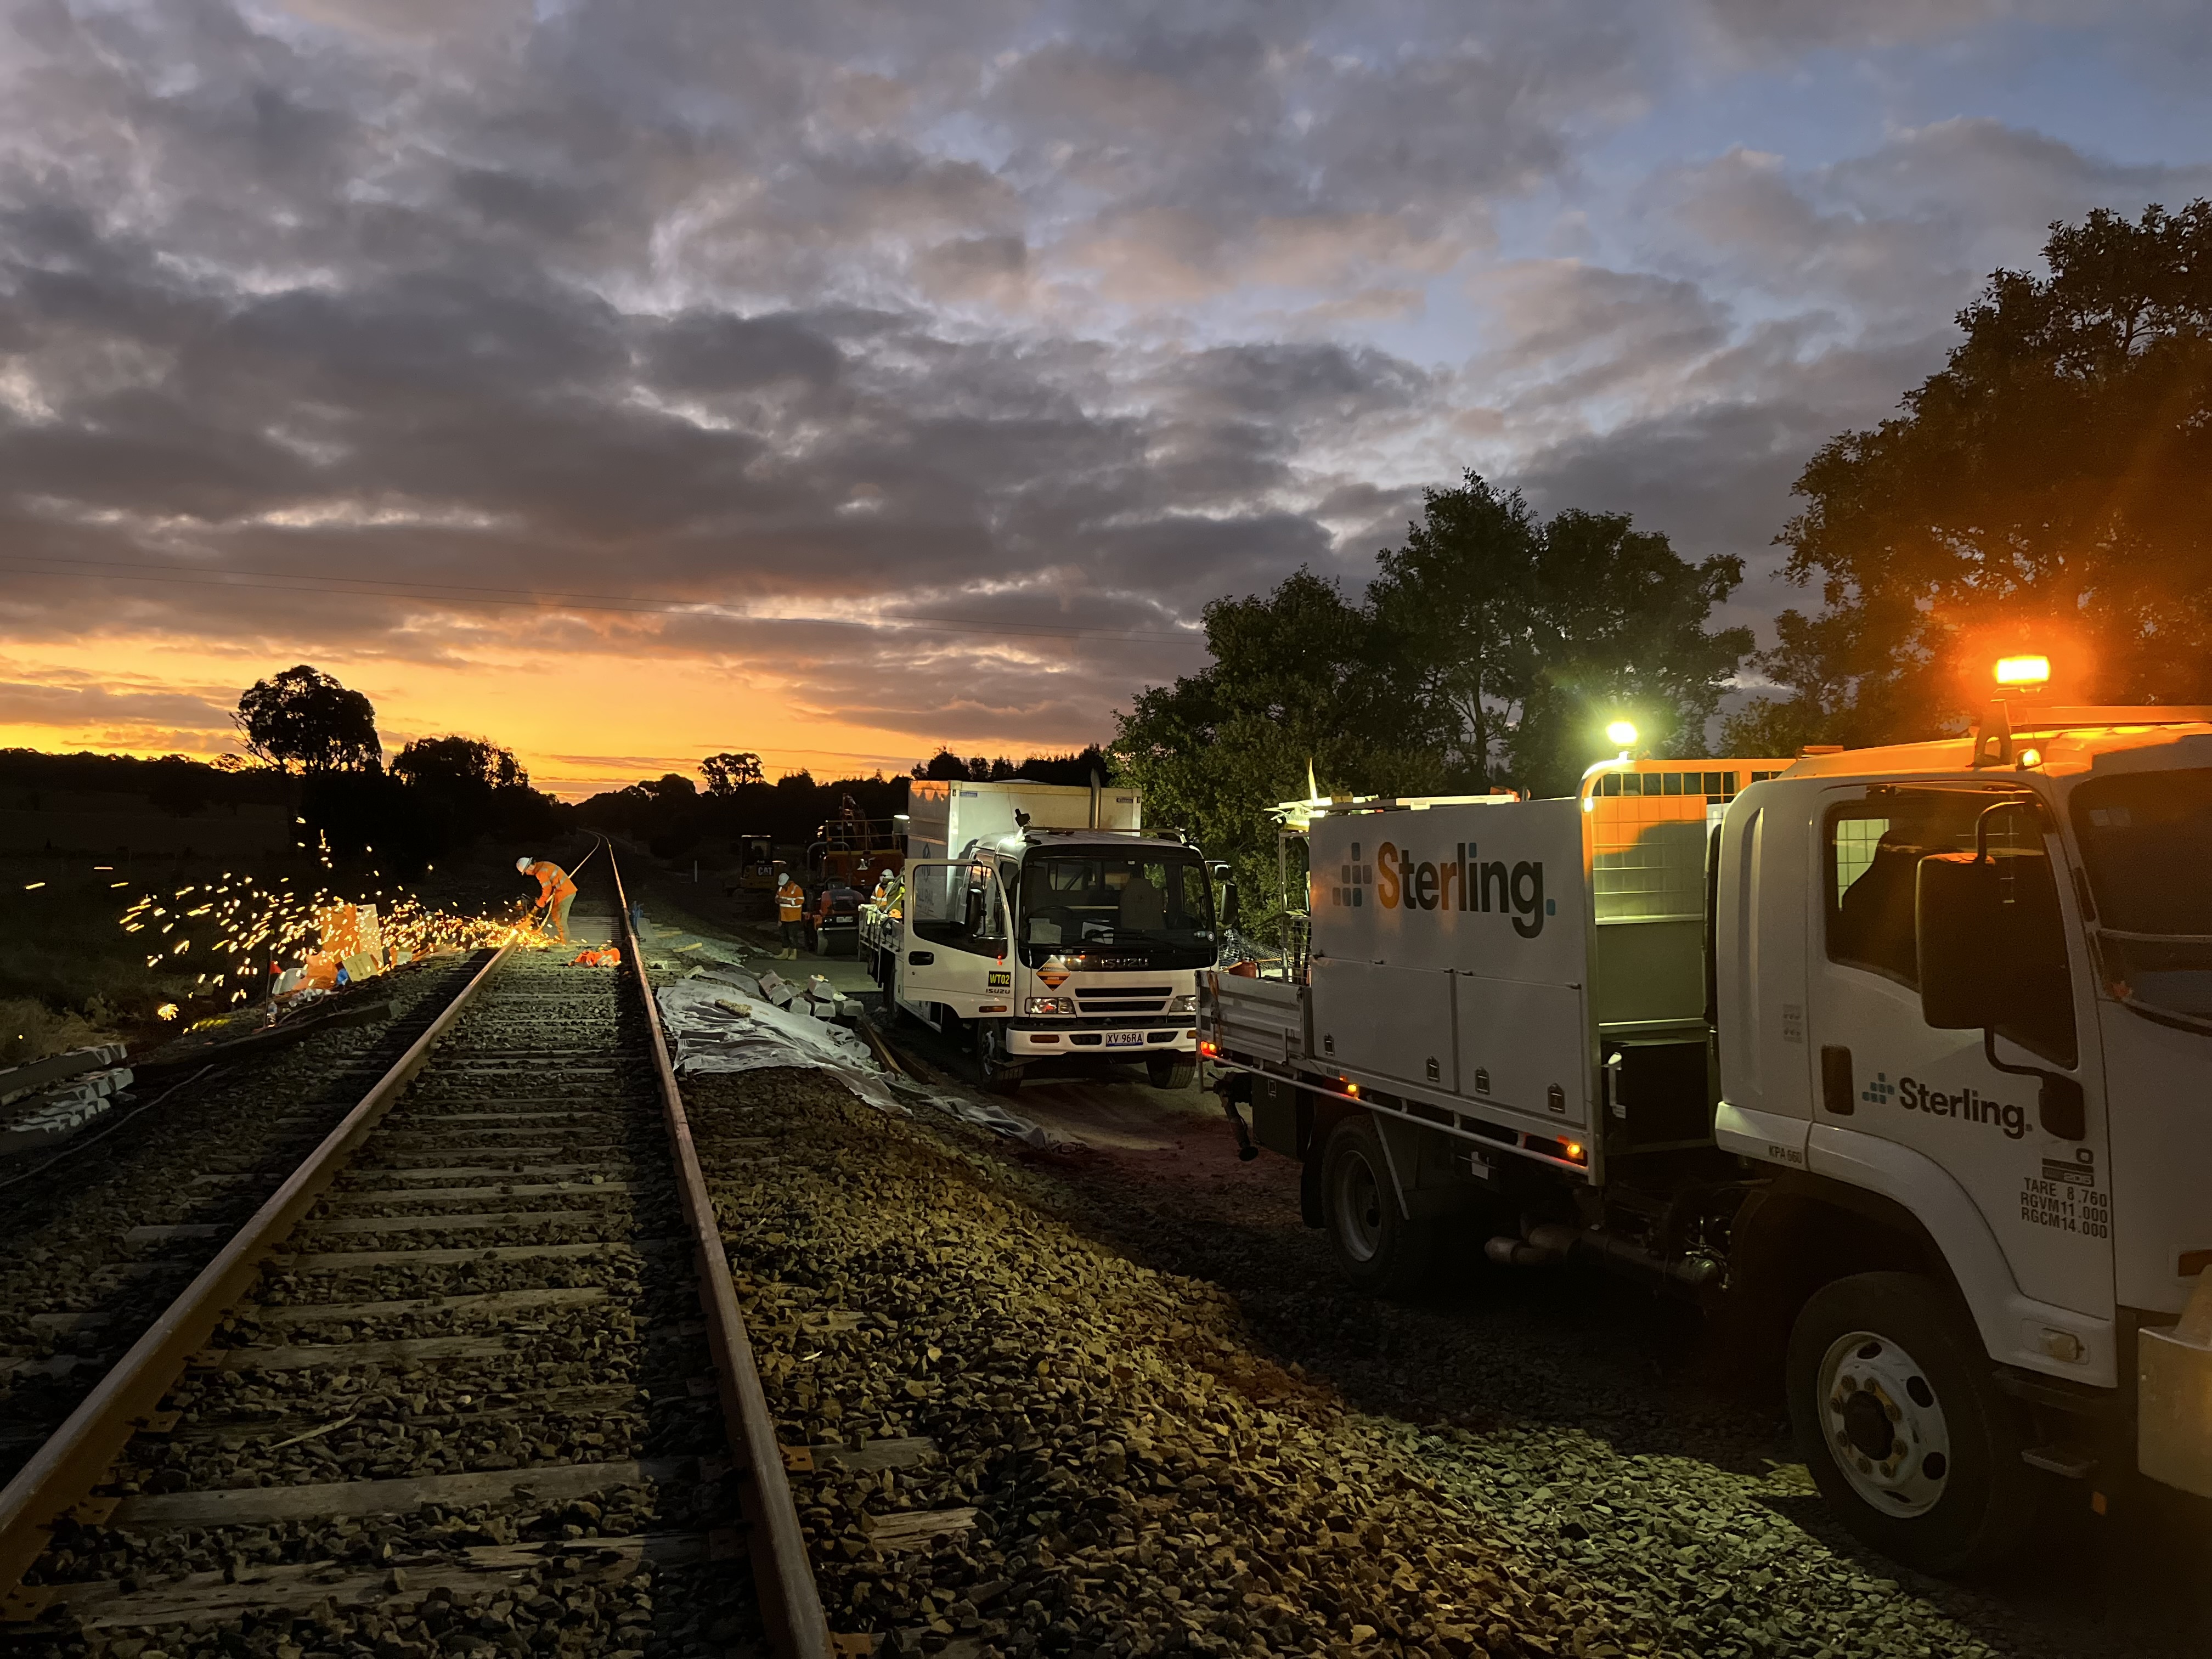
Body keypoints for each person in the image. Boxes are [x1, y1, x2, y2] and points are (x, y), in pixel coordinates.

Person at [518, 855, 579, 944]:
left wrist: (539, 905)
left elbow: (547, 890)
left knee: (559, 917)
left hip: (566, 893)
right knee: (555, 914)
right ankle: (563, 938)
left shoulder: (541, 872)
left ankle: (566, 943)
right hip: (562, 891)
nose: (527, 874)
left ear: (530, 867)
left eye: (526, 871)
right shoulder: (543, 865)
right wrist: (540, 902)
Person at [775, 867, 806, 960]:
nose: (783, 886)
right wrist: (779, 900)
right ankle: (785, 953)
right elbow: (777, 899)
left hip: (794, 918)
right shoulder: (781, 889)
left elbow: (801, 900)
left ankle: (794, 953)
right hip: (783, 917)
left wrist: (787, 902)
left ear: (788, 882)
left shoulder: (796, 889)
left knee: (792, 936)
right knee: (784, 936)